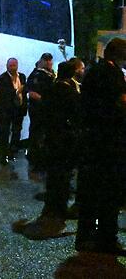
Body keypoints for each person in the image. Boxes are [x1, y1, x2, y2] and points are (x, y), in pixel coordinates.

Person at [12, 58, 84, 240]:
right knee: (62, 176)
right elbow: (76, 114)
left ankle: (53, 208)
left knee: (55, 176)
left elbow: (44, 112)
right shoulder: (68, 91)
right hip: (64, 141)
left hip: (53, 139)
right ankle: (57, 210)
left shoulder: (53, 90)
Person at [74, 38, 126, 254]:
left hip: (92, 143)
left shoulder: (94, 72)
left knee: (90, 192)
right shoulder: (111, 74)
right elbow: (120, 104)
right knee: (108, 193)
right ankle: (106, 238)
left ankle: (86, 236)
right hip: (108, 145)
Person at [0, 58, 28, 164]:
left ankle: (12, 153)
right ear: (7, 66)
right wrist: (18, 91)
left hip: (18, 109)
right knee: (4, 132)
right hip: (5, 110)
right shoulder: (1, 78)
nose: (12, 68)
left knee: (17, 131)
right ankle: (3, 156)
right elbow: (5, 92)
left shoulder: (22, 76)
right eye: (10, 66)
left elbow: (25, 89)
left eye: (14, 65)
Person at [26, 53, 56, 169]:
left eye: (50, 61)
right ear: (42, 61)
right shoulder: (37, 75)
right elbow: (32, 93)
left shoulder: (49, 74)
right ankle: (36, 158)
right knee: (37, 133)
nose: (50, 63)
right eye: (47, 61)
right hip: (38, 109)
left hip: (45, 109)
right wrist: (45, 101)